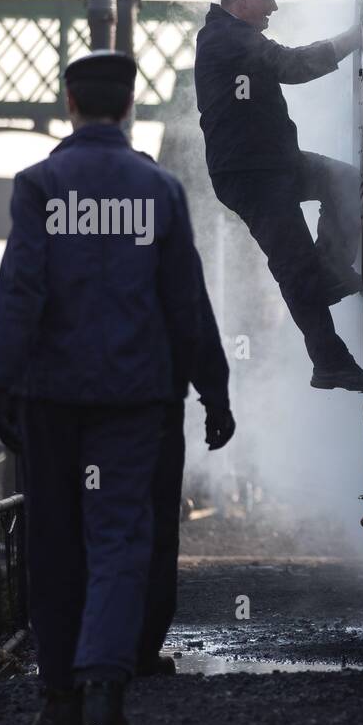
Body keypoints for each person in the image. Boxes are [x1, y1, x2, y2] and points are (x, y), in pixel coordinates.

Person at [0, 50, 203, 725]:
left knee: (53, 541)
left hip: (51, 396)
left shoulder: (39, 184)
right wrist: (215, 390)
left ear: (70, 103)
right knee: (120, 539)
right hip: (134, 399)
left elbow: (22, 291)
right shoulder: (160, 189)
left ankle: (58, 699)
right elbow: (185, 301)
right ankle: (105, 692)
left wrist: (1, 382)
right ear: (130, 106)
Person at [194, 0, 363, 392]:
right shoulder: (227, 38)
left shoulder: (234, 37)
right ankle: (330, 362)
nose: (274, 6)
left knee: (347, 183)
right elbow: (292, 65)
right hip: (251, 172)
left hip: (274, 164)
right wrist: (354, 36)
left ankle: (329, 271)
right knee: (294, 265)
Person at [137, 255, 235, 677]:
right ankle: (140, 650)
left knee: (79, 527)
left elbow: (23, 297)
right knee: (155, 528)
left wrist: (11, 386)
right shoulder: (160, 206)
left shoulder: (51, 203)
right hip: (150, 400)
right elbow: (191, 310)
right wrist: (215, 394)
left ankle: (73, 666)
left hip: (71, 403)